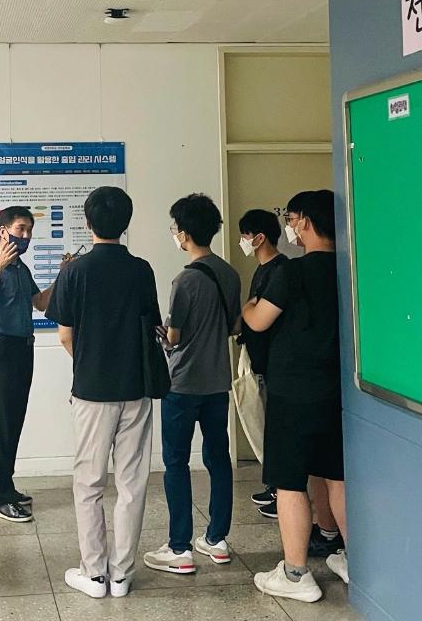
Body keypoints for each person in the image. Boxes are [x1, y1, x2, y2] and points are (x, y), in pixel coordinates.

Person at [47, 186, 162, 599]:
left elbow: (64, 335)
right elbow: (153, 326)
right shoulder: (141, 270)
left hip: (92, 390)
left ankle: (94, 574)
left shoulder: (74, 271)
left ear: (88, 222)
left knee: (89, 483)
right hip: (136, 388)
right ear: (125, 223)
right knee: (132, 483)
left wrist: (87, 362)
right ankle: (122, 574)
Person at [244, 189, 348, 604]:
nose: (290, 226)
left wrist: (250, 304)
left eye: (291, 218)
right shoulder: (350, 270)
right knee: (337, 477)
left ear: (304, 221)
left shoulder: (293, 272)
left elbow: (257, 320)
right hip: (340, 391)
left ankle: (295, 573)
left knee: (289, 482)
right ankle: (355, 561)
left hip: (294, 391)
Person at [144, 194, 241, 576]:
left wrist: (163, 337)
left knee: (176, 462)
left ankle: (179, 547)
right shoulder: (229, 274)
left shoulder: (184, 280)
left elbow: (175, 336)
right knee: (219, 459)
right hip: (218, 383)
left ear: (184, 233)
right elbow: (234, 326)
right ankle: (217, 539)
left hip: (182, 385)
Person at [0, 205, 57, 522]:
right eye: (21, 229)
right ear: (3, 231)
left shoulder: (22, 269)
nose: (26, 236)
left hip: (23, 349)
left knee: (13, 420)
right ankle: (0, 498)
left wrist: (63, 275)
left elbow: (40, 303)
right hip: (1, 351)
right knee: (0, 423)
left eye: (29, 231)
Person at [237, 208, 286, 519]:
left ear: (259, 238)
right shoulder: (262, 269)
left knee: (275, 429)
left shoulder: (280, 270)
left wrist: (247, 309)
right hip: (259, 361)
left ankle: (282, 492)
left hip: (273, 363)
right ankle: (273, 485)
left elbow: (255, 317)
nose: (242, 241)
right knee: (264, 427)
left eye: (245, 235)